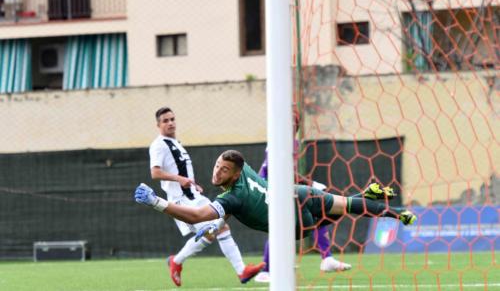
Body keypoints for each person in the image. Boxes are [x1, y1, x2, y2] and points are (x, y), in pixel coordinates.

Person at [135, 150, 417, 267]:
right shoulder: (242, 172)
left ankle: (383, 205)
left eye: (223, 169)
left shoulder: (233, 197)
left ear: (234, 175)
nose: (217, 171)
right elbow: (235, 205)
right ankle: (392, 209)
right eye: (217, 166)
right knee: (346, 205)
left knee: (343, 210)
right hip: (297, 194)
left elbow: (197, 214)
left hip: (295, 224)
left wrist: (157, 202)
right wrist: (215, 224)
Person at [149, 108, 264, 287]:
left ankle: (177, 261)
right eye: (165, 120)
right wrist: (181, 179)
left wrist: (191, 183)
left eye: (172, 119)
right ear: (158, 125)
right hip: (181, 199)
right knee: (219, 229)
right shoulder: (159, 145)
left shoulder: (175, 143)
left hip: (193, 195)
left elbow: (179, 170)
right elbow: (155, 173)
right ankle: (240, 271)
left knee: (217, 229)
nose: (170, 123)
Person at [254, 149, 353, 283]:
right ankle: (265, 271)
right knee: (280, 228)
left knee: (315, 216)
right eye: (296, 125)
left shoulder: (290, 139)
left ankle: (326, 258)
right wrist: (311, 184)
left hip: (279, 189)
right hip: (267, 191)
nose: (297, 126)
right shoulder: (279, 137)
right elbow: (280, 171)